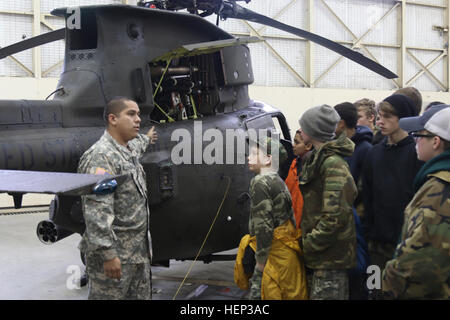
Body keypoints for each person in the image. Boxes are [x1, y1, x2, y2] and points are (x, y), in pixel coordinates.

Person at [78, 96, 158, 300]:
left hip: (137, 253)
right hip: (116, 258)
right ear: (113, 119)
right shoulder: (100, 156)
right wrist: (108, 255)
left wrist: (147, 137)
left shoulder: (128, 149)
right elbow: (97, 211)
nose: (138, 119)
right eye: (131, 114)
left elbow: (140, 145)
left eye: (139, 114)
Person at [382, 105, 450, 299]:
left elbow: (420, 268)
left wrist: (388, 282)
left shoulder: (440, 191)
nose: (414, 140)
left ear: (436, 141)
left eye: (418, 135)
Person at [361, 94, 423, 294]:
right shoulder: (373, 153)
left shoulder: (417, 154)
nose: (380, 121)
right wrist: (369, 232)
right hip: (377, 245)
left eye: (387, 116)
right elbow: (367, 197)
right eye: (379, 116)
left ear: (403, 118)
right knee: (375, 290)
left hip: (408, 245)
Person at [236, 135, 308, 300]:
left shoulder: (260, 182)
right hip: (286, 255)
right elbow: (291, 219)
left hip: (272, 256)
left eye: (255, 154)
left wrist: (260, 263)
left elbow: (264, 226)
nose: (249, 157)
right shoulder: (278, 181)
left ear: (268, 159)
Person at [298, 105, 357, 300]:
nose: (300, 130)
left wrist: (308, 244)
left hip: (330, 259)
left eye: (303, 126)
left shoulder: (333, 164)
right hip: (320, 257)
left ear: (313, 131)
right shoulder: (317, 158)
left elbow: (335, 217)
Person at [334, 102, 371, 300]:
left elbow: (364, 192)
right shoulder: (338, 149)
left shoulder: (364, 149)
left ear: (340, 124)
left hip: (355, 228)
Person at [284, 129, 313, 228]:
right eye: (294, 141)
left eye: (297, 142)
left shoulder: (313, 169)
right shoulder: (295, 164)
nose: (293, 145)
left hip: (306, 227)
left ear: (308, 146)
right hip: (292, 223)